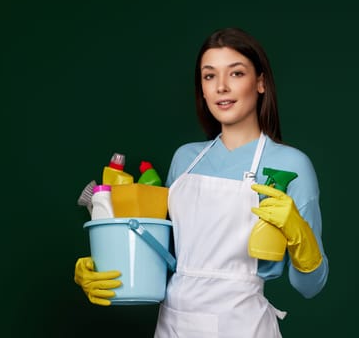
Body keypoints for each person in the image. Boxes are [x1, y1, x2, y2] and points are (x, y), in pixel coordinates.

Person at [74, 27, 329, 337]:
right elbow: (166, 258)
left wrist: (301, 237)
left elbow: (310, 286)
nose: (221, 87)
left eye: (236, 73)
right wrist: (103, 264)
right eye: (209, 76)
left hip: (242, 327)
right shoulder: (185, 159)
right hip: (174, 325)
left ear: (260, 82)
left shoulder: (291, 165)